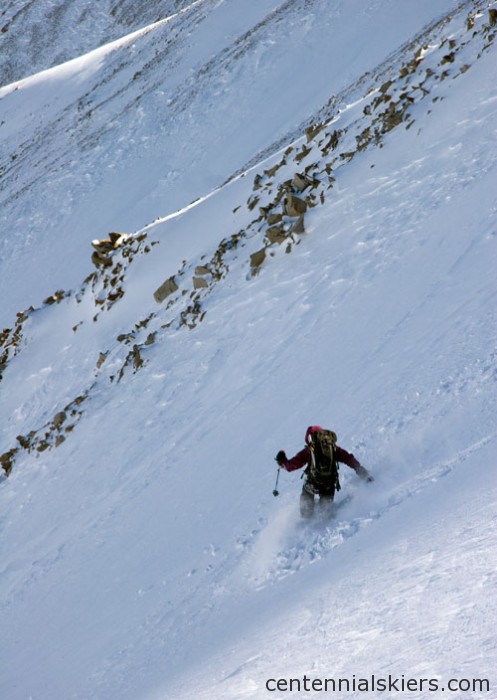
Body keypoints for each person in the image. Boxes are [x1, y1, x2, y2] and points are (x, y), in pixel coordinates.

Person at [275, 425, 373, 518]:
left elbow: (292, 465)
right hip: (329, 484)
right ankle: (327, 514)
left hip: (313, 484)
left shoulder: (308, 451)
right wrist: (361, 471)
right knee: (326, 509)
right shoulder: (333, 448)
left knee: (306, 492)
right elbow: (348, 458)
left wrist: (282, 462)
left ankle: (307, 516)